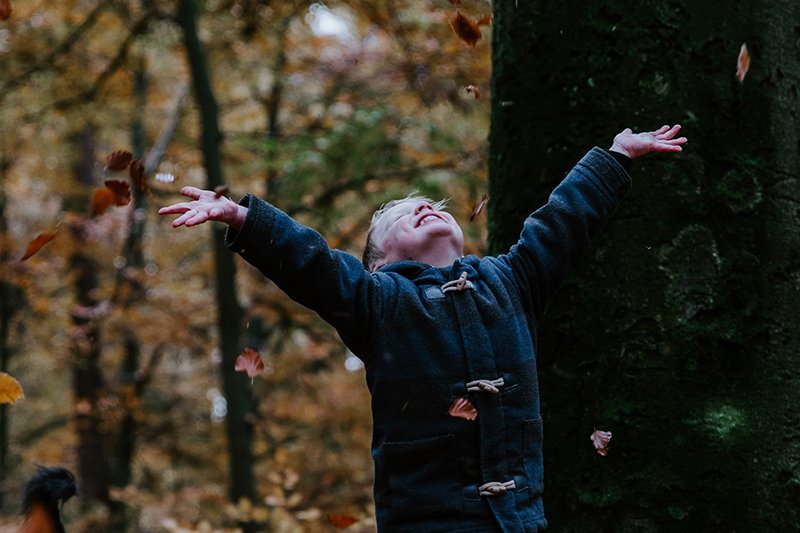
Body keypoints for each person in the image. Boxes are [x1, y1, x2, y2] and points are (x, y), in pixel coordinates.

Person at [159, 125, 687, 532]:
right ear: (379, 264)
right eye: (402, 216)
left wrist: (614, 156)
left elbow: (560, 225)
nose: (425, 207)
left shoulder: (510, 281)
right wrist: (245, 218)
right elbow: (314, 264)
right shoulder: (379, 302)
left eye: (432, 205)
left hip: (520, 523)